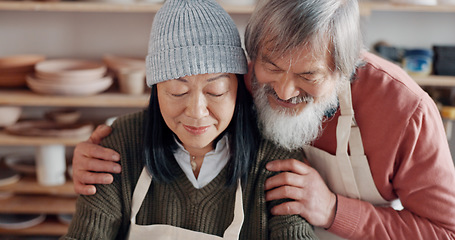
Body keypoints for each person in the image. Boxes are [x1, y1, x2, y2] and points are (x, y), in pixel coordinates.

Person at [71, 0, 455, 239]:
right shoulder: (243, 82)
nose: (285, 92)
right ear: (248, 59)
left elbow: (446, 232)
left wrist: (335, 211)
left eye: (308, 76)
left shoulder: (407, 112)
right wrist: (95, 155)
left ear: (345, 67)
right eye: (270, 67)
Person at [63, 0, 317, 239]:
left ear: (238, 88)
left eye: (215, 92)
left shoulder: (274, 157)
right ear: (156, 92)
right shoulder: (119, 146)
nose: (197, 112)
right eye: (178, 91)